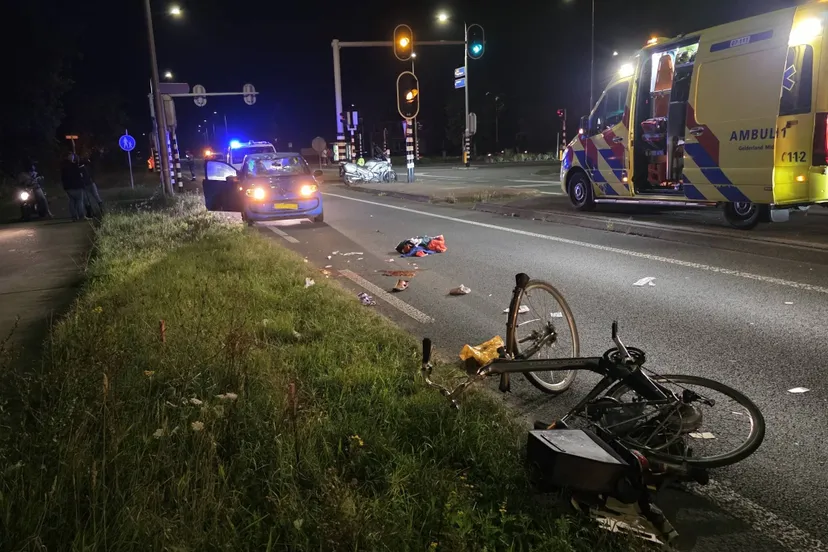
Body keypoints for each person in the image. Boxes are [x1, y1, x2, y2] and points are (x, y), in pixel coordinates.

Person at [61, 153, 86, 222]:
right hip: (77, 186)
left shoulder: (64, 167)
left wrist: (65, 187)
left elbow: (63, 178)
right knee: (79, 201)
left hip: (69, 188)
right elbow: (80, 176)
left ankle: (74, 217)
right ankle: (81, 216)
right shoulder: (76, 166)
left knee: (71, 201)